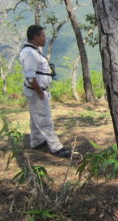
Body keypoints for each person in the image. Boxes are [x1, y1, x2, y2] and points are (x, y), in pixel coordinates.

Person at [19, 25, 71, 158]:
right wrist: (40, 93)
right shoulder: (30, 53)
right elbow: (30, 76)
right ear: (35, 37)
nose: (45, 38)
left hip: (37, 91)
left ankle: (36, 142)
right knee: (44, 119)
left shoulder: (33, 50)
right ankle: (56, 148)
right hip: (37, 92)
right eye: (43, 35)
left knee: (36, 117)